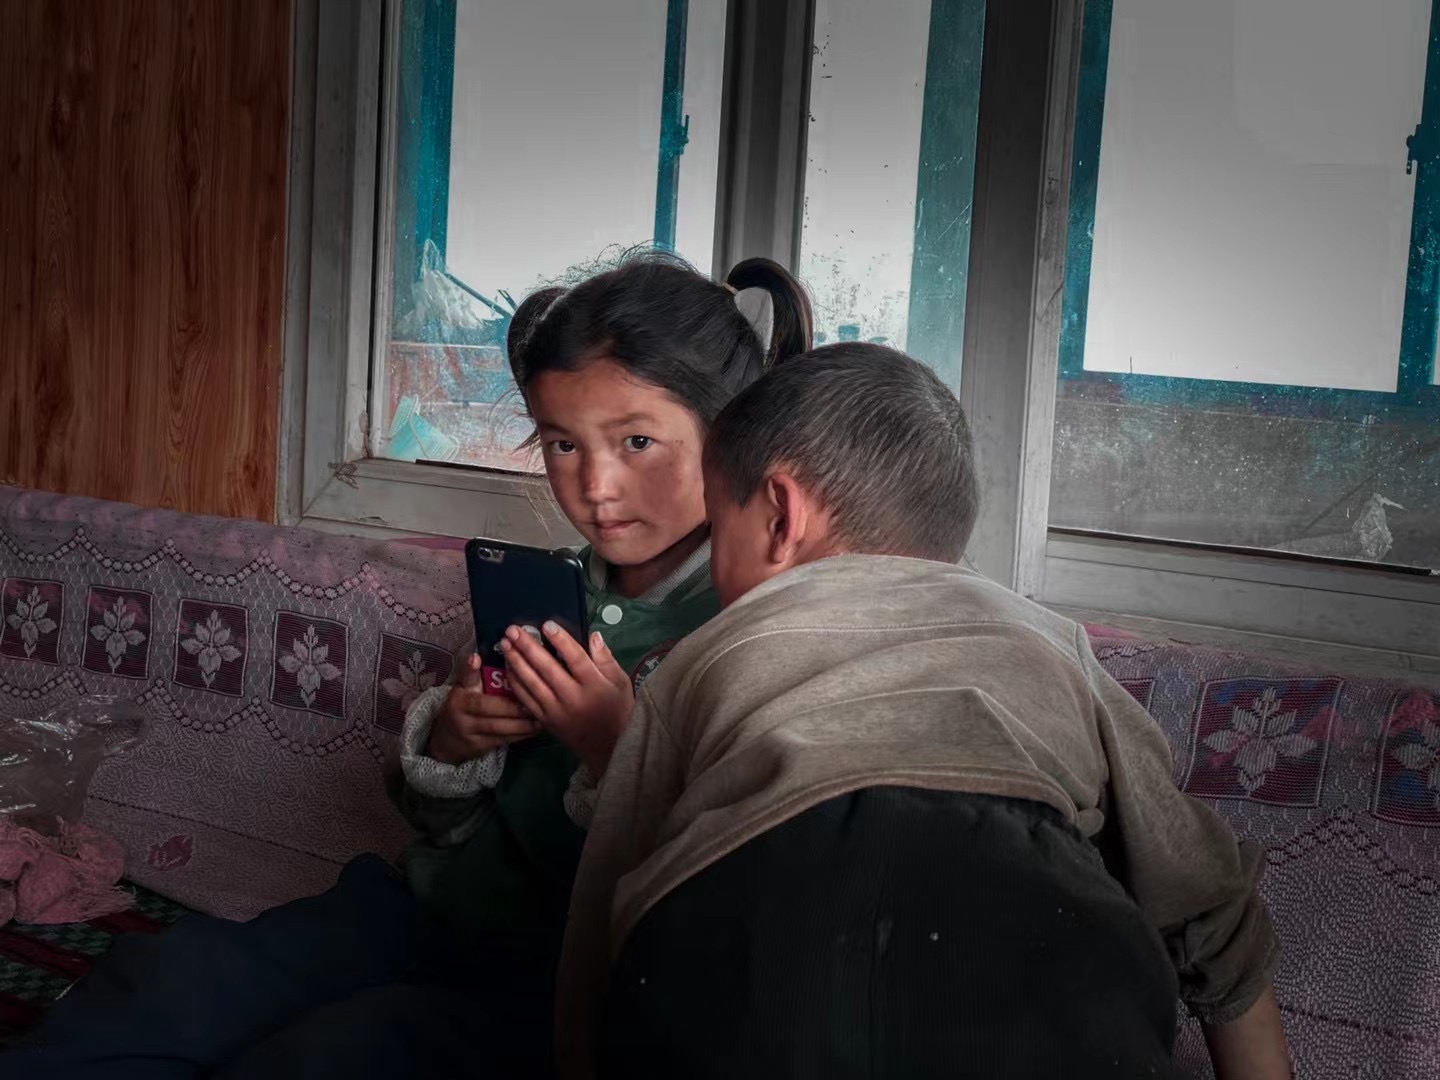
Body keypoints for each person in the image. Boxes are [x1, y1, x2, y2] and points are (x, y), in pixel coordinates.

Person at [2, 253, 812, 1080]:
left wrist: (615, 749)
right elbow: (440, 827)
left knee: (328, 1057)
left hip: (563, 970)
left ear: (729, 438)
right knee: (168, 985)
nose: (596, 485)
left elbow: (719, 896)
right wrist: (456, 743)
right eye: (563, 444)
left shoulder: (744, 633)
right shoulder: (543, 589)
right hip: (417, 909)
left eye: (637, 441)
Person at [502, 343, 1291, 1080]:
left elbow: (609, 911)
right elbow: (1211, 907)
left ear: (780, 515)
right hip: (1047, 958)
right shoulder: (1050, 643)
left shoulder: (703, 658)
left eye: (717, 519)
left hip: (759, 966)